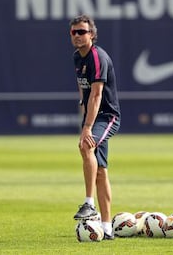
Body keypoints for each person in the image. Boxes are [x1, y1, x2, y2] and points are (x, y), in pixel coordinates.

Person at [69, 14, 121, 240]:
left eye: (82, 32)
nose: (78, 36)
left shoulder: (97, 57)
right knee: (100, 171)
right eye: (74, 32)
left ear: (92, 34)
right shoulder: (76, 57)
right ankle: (107, 228)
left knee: (85, 147)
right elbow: (84, 89)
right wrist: (83, 106)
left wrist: (87, 127)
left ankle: (89, 204)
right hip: (92, 116)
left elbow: (97, 93)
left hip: (107, 116)